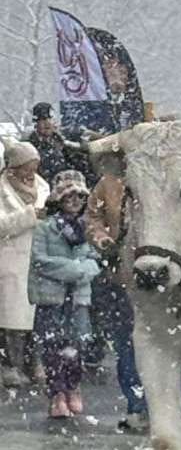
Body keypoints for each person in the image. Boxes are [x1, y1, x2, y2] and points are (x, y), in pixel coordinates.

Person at [29, 170, 101, 418]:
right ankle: (57, 393)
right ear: (59, 199)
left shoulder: (87, 229)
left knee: (77, 345)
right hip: (52, 297)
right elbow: (40, 261)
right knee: (52, 347)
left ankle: (73, 387)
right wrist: (74, 269)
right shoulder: (44, 228)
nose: (75, 201)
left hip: (79, 298)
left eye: (80, 197)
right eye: (70, 197)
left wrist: (82, 270)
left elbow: (94, 260)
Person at [85, 153, 148, 430]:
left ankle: (173, 404)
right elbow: (93, 217)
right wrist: (101, 238)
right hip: (122, 275)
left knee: (171, 343)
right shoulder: (108, 183)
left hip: (162, 276)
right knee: (127, 343)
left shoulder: (163, 176)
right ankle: (137, 404)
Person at [0, 140, 50, 386]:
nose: (31, 173)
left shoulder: (43, 186)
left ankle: (33, 361)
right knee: (6, 318)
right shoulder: (1, 190)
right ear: (13, 168)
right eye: (26, 168)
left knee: (36, 315)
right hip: (10, 259)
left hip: (38, 259)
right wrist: (30, 215)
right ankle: (8, 364)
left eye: (35, 167)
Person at [28, 102, 94, 188]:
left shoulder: (61, 140)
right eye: (43, 119)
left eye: (50, 118)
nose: (47, 122)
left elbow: (79, 165)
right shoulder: (30, 147)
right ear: (36, 123)